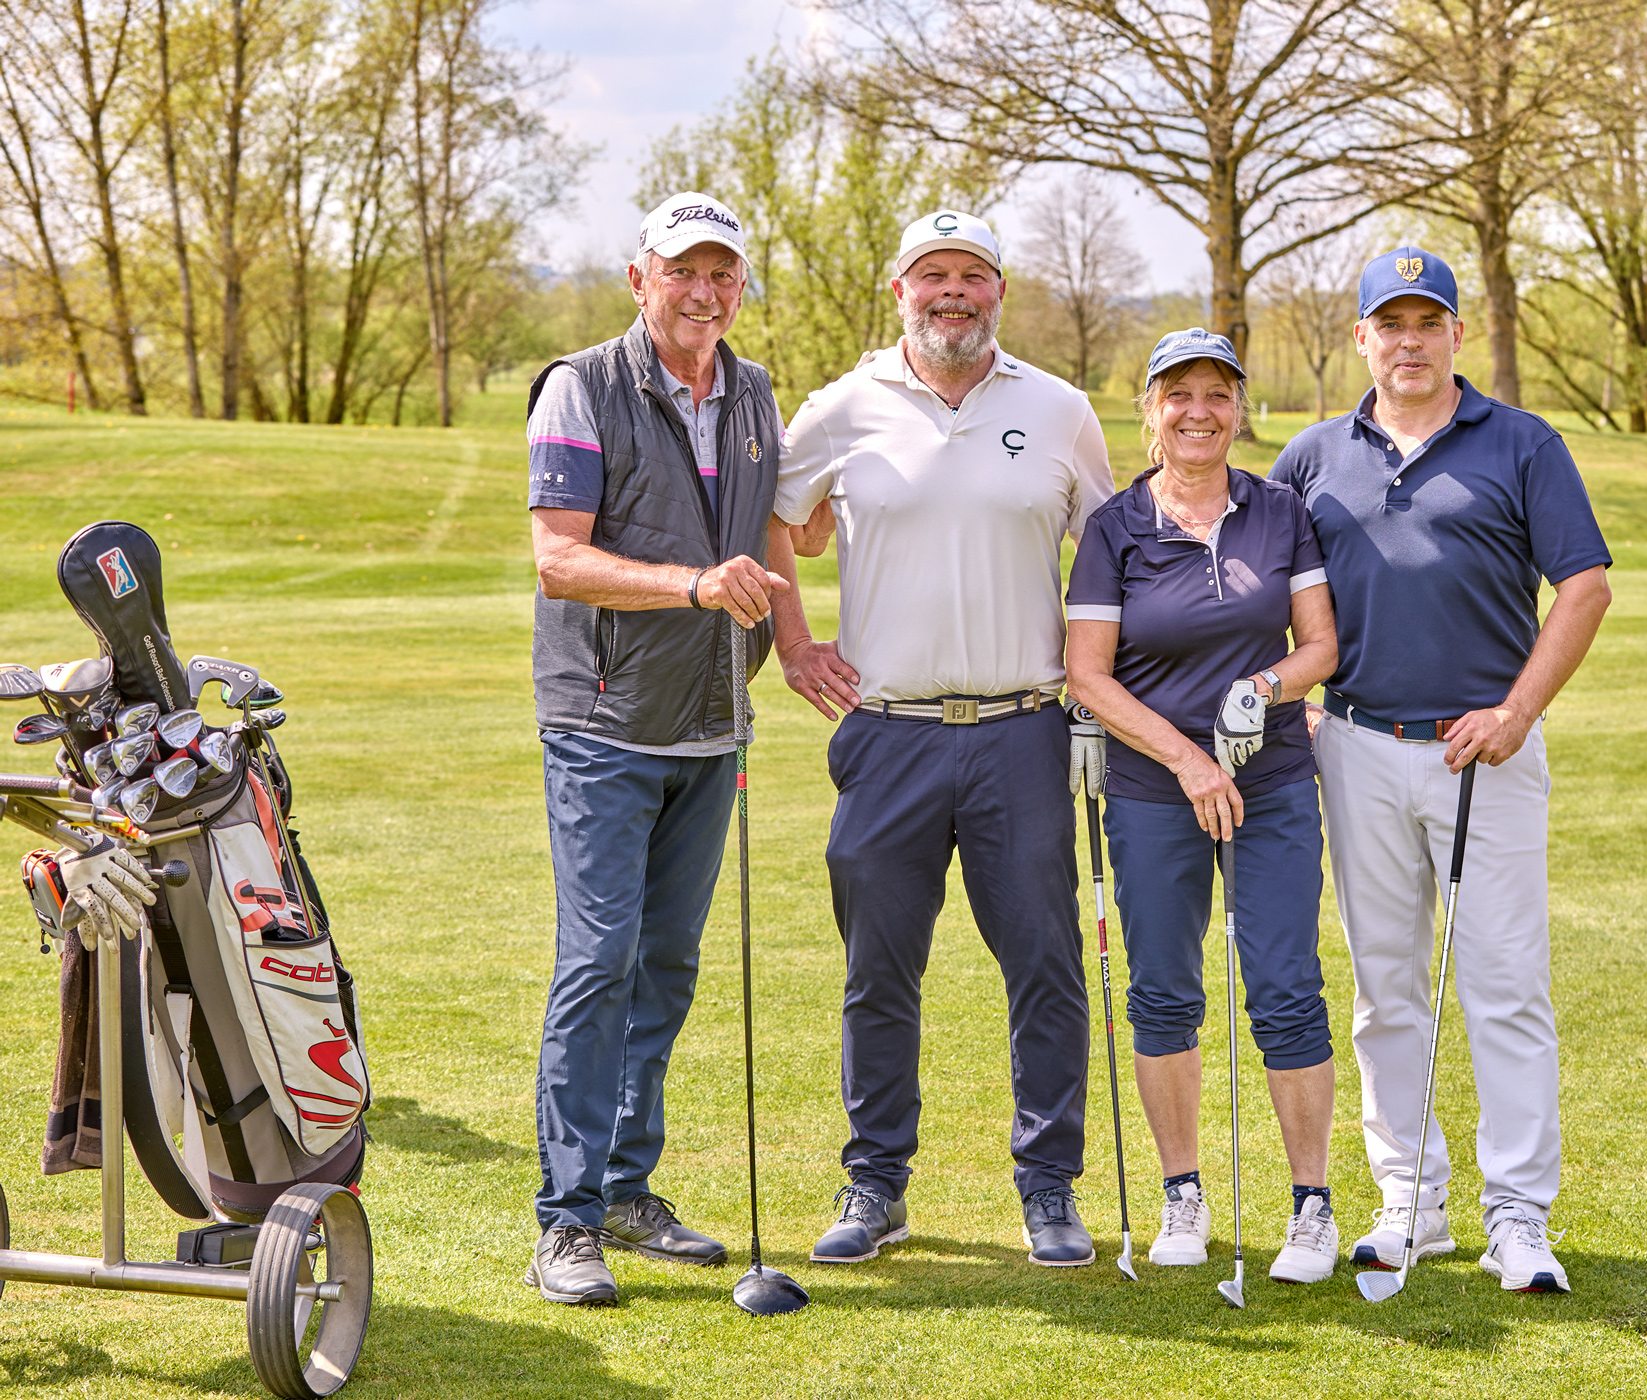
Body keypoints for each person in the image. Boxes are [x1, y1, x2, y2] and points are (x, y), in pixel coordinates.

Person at [766, 210, 1115, 1268]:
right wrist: (793, 643)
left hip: (1024, 730)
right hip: (890, 734)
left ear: (999, 292)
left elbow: (1106, 555)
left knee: (1046, 965)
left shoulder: (1058, 409)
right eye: (933, 274)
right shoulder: (844, 404)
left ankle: (1049, 1186)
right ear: (898, 287)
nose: (952, 292)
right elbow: (780, 514)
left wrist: (1100, 692)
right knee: (880, 970)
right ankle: (876, 1183)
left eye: (972, 275)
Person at [1268, 246, 1612, 1295]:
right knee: (1385, 990)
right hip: (1359, 744)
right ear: (1361, 337)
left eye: (1429, 322)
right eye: (1390, 323)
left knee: (1505, 985)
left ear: (1457, 333)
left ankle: (1519, 1215)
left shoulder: (1521, 442)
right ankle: (1411, 1200)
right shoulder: (1313, 455)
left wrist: (1518, 710)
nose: (1409, 341)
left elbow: (1586, 585)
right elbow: (1258, 584)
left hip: (1485, 749)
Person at [520, 191, 789, 1307]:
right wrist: (690, 585)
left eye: (723, 273)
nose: (704, 291)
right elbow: (557, 557)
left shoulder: (756, 392)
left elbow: (774, 526)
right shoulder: (580, 387)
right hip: (603, 724)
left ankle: (630, 1189)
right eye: (684, 270)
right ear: (642, 278)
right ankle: (567, 1219)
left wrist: (799, 637)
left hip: (711, 721)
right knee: (598, 962)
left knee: (668, 964)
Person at [1064, 330, 1344, 1282]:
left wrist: (1261, 691)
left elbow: (1320, 648)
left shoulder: (1280, 513)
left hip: (1268, 787)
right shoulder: (1114, 528)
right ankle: (1183, 1192)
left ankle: (1312, 1205)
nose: (1198, 411)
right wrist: (1187, 758)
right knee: (1163, 993)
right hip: (1152, 789)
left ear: (1237, 408)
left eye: (1216, 394)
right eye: (1178, 393)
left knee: (1286, 989)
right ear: (1150, 409)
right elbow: (1087, 676)